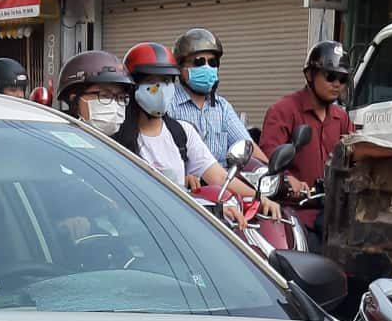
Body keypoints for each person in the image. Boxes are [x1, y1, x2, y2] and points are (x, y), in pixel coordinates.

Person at [114, 42, 275, 223]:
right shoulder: (114, 140)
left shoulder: (182, 133)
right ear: (133, 87)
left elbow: (219, 177)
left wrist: (260, 199)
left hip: (176, 229)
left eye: (166, 81)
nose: (161, 89)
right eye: (151, 82)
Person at [261, 41, 357, 208]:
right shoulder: (283, 111)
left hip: (334, 213)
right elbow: (266, 156)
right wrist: (287, 179)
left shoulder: (342, 118)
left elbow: (357, 156)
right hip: (297, 212)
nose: (336, 84)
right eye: (330, 76)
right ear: (310, 75)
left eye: (342, 79)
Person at [168, 27, 262, 168]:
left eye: (212, 63)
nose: (207, 67)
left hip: (224, 185)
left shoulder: (222, 107)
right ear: (180, 67)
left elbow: (248, 147)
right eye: (199, 62)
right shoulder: (168, 103)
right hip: (180, 187)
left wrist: (278, 175)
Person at [56, 48, 130, 137]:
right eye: (104, 95)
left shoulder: (125, 146)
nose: (114, 105)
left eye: (121, 97)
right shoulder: (55, 141)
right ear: (74, 99)